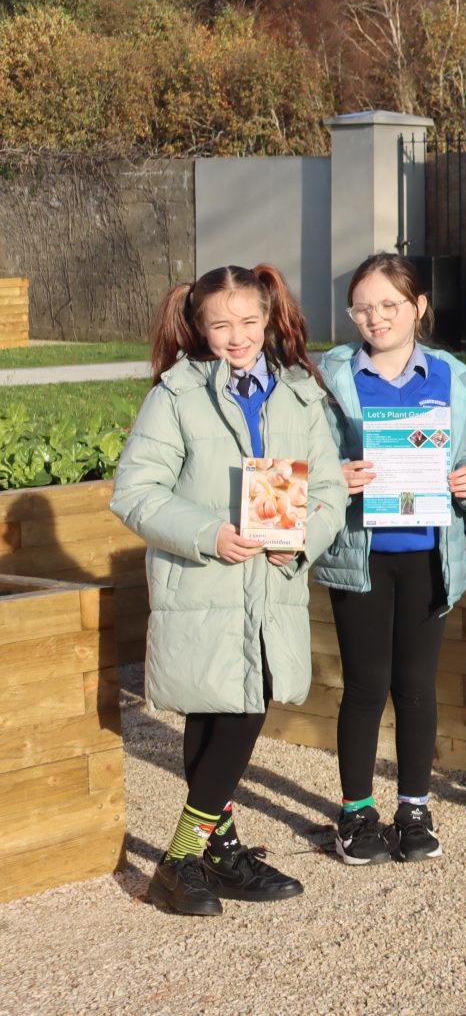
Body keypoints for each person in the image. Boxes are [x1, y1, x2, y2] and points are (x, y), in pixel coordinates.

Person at [111, 265, 346, 916]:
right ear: (198, 326)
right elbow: (135, 491)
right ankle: (185, 858)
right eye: (220, 324)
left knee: (240, 705)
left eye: (248, 321)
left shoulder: (298, 392)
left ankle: (207, 853)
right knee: (218, 709)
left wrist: (302, 538)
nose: (236, 336)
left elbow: (328, 490)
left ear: (269, 318)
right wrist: (208, 534)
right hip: (204, 579)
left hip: (270, 582)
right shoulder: (177, 394)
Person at [317, 255, 466, 865]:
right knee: (365, 687)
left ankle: (414, 807)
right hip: (359, 557)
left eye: (390, 304)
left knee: (416, 687)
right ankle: (356, 811)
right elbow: (310, 459)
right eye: (362, 308)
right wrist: (335, 476)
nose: (376, 318)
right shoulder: (329, 377)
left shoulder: (454, 378)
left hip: (427, 555)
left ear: (419, 307)